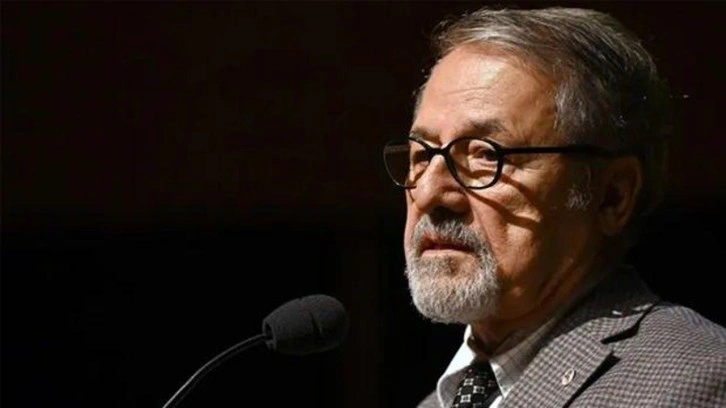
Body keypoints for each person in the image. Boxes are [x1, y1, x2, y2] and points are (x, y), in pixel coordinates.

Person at [382, 6, 726, 408]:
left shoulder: (695, 381)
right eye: (422, 156)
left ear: (612, 195)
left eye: (486, 155)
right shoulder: (437, 403)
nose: (429, 193)